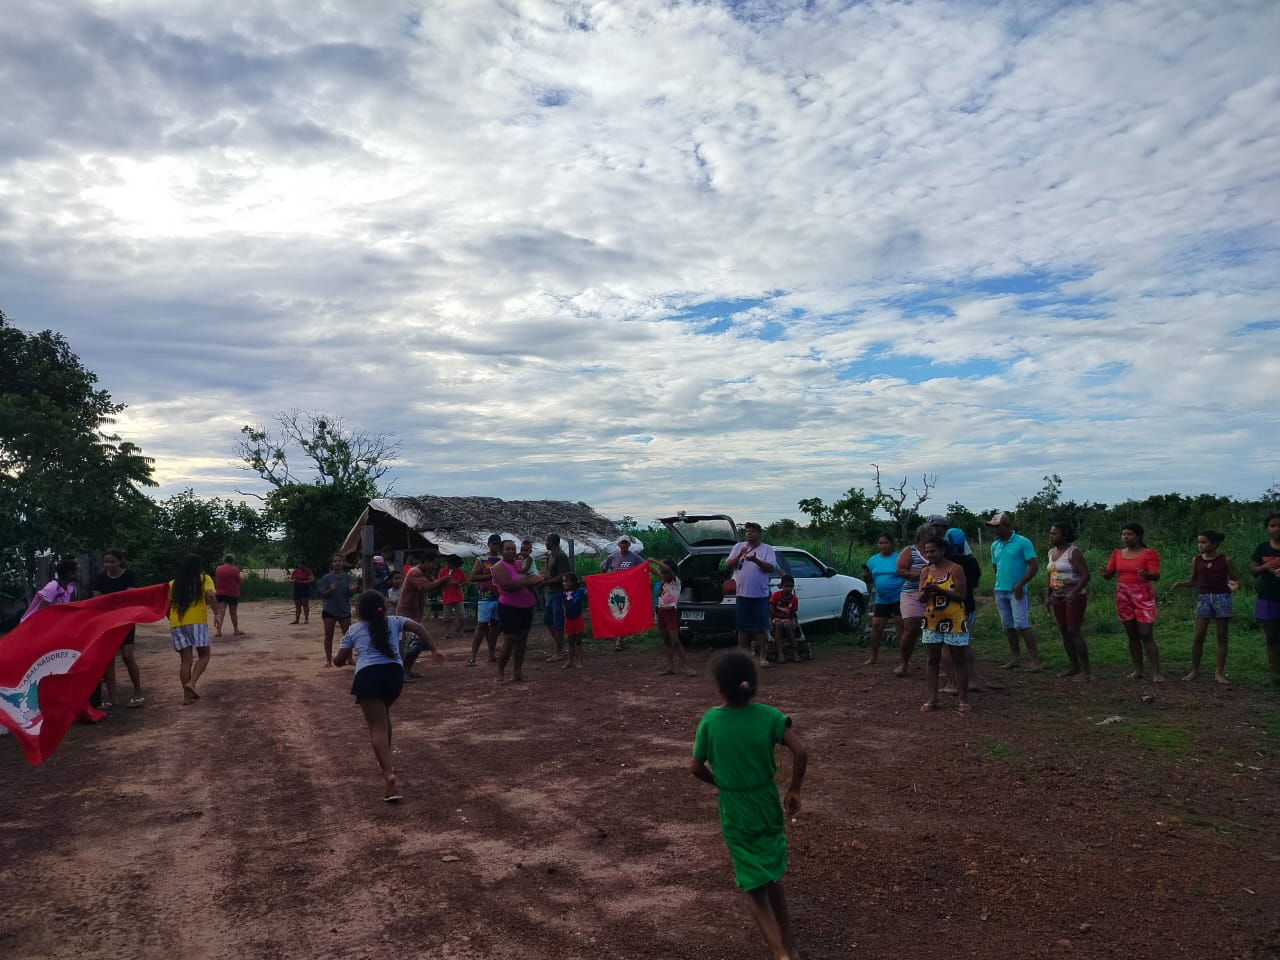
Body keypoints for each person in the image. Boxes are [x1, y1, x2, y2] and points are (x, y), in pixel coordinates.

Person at [690, 650, 808, 960]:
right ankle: (790, 945)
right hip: (766, 801)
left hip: (735, 808)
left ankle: (780, 953)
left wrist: (721, 783)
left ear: (719, 687)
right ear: (752, 683)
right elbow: (800, 751)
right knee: (772, 872)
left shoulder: (711, 721)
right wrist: (794, 789)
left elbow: (695, 767)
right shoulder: (769, 715)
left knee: (754, 886)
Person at [334, 590, 444, 802]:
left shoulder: (353, 630)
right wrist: (434, 649)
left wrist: (338, 657)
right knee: (383, 717)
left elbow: (339, 661)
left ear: (359, 610)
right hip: (394, 675)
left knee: (377, 726)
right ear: (382, 607)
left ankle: (388, 774)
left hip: (368, 675)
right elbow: (418, 627)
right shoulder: (394, 621)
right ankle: (387, 760)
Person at [1099, 522, 1163, 682]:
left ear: (1139, 536)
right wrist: (1104, 574)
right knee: (1132, 634)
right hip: (1123, 596)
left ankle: (1156, 672)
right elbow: (1109, 575)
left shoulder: (1149, 553)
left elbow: (1156, 575)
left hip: (1143, 595)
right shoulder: (1117, 554)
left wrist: (1146, 574)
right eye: (1123, 534)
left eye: (1129, 534)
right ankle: (1138, 670)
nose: (1125, 537)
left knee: (1146, 634)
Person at [918, 537, 971, 715]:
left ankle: (963, 699)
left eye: (932, 551)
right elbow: (921, 598)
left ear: (942, 550)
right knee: (932, 660)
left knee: (959, 659)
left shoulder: (955, 569)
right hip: (932, 620)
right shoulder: (926, 571)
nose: (929, 555)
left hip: (954, 620)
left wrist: (940, 590)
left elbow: (962, 595)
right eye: (927, 551)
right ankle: (932, 699)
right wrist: (926, 591)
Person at [986, 512, 1042, 672]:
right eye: (993, 527)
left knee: (1022, 624)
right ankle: (1015, 658)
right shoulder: (994, 545)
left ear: (1006, 526)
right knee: (1008, 626)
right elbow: (996, 566)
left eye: (997, 527)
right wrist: (1000, 581)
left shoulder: (1022, 542)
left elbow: (1034, 566)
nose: (994, 530)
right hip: (1000, 590)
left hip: (1016, 591)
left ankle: (1034, 660)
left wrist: (1020, 584)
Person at [93, 549, 144, 708]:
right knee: (109, 659)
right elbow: (96, 599)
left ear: (120, 562)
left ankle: (138, 692)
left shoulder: (128, 575)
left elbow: (131, 595)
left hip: (126, 620)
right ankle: (112, 697)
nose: (108, 564)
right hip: (108, 622)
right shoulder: (101, 577)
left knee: (128, 656)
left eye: (112, 561)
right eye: (106, 562)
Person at [724, 522, 777, 667]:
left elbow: (770, 568)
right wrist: (740, 554)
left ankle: (762, 657)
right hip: (742, 595)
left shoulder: (767, 549)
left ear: (759, 534)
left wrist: (755, 559)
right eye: (747, 531)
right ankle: (742, 657)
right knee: (743, 628)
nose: (749, 533)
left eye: (752, 531)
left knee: (761, 628)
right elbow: (728, 565)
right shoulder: (738, 547)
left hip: (760, 596)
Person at [1045, 522, 1091, 680]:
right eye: (1050, 533)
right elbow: (1050, 574)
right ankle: (1074, 666)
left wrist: (1073, 592)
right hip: (1057, 596)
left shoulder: (1073, 552)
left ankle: (1086, 671)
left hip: (1074, 597)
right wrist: (1047, 594)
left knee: (1073, 630)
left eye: (1054, 533)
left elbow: (1085, 575)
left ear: (1064, 535)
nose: (1051, 536)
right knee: (1064, 630)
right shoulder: (1051, 552)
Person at [168, 553, 216, 705]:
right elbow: (211, 595)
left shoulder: (173, 583)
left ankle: (186, 697)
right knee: (205, 654)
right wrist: (217, 614)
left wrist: (172, 620)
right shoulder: (204, 579)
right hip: (196, 620)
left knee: (185, 660)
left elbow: (167, 606)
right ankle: (192, 683)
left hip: (177, 622)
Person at [493, 539, 543, 682]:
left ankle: (517, 671)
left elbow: (534, 578)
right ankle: (500, 672)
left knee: (522, 640)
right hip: (509, 607)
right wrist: (529, 580)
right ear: (501, 551)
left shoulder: (520, 564)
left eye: (513, 549)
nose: (511, 551)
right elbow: (507, 585)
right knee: (510, 639)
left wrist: (533, 580)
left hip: (527, 606)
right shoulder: (499, 567)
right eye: (508, 549)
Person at [891, 525, 929, 677]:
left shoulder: (939, 550)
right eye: (930, 534)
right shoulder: (909, 550)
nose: (934, 536)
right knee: (911, 628)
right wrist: (920, 575)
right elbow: (900, 571)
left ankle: (935, 664)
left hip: (934, 594)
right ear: (921, 536)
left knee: (934, 630)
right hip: (912, 593)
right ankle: (904, 663)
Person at [863, 533, 904, 666]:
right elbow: (869, 579)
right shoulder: (873, 560)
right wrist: (866, 576)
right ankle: (873, 656)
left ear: (891, 544)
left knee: (900, 626)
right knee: (876, 626)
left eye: (886, 543)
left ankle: (904, 658)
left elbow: (905, 574)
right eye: (880, 543)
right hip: (881, 598)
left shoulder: (899, 558)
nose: (883, 545)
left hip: (898, 596)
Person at [1249, 512, 1280, 685]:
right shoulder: (1262, 548)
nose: (1276, 529)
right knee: (1271, 638)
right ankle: (1273, 674)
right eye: (1273, 525)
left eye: (1279, 526)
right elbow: (1253, 571)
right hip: (1268, 597)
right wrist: (1265, 567)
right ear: (1267, 528)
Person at [601, 537, 647, 651]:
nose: (624, 545)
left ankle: (619, 640)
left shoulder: (634, 557)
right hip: (615, 590)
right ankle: (618, 635)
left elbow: (644, 566)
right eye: (622, 543)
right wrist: (603, 579)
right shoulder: (612, 557)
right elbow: (604, 568)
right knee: (616, 612)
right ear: (619, 544)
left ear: (629, 545)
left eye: (626, 543)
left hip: (629, 589)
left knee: (623, 612)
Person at [468, 535, 505, 666]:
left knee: (495, 625)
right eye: (494, 543)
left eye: (498, 544)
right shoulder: (481, 559)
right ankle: (473, 656)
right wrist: (491, 576)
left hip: (500, 596)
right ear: (489, 544)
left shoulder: (503, 559)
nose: (496, 546)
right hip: (485, 597)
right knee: (481, 626)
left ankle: (491, 654)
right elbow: (473, 577)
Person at [650, 557, 690, 675]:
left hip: (670, 613)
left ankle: (686, 666)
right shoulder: (664, 581)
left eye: (665, 573)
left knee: (675, 641)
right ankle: (670, 666)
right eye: (662, 573)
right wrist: (646, 564)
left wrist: (654, 560)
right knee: (667, 641)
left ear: (671, 572)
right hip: (661, 612)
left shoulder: (675, 581)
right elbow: (653, 570)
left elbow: (666, 569)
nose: (663, 575)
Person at [317, 554, 356, 667]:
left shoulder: (348, 577)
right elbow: (322, 594)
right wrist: (330, 589)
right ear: (332, 564)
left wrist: (352, 591)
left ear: (343, 562)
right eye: (335, 561)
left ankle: (350, 658)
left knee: (348, 635)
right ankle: (328, 660)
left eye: (339, 560)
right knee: (328, 636)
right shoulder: (326, 578)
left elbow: (350, 594)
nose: (337, 563)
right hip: (329, 610)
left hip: (344, 609)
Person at [541, 534, 574, 661]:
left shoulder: (560, 556)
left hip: (558, 592)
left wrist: (546, 583)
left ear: (552, 542)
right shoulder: (552, 555)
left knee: (557, 621)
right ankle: (560, 647)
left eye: (546, 541)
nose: (545, 543)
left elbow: (563, 575)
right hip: (551, 592)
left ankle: (559, 651)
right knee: (548, 619)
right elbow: (550, 574)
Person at [21, 558, 79, 622]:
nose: (79, 574)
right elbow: (41, 612)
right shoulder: (53, 587)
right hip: (33, 622)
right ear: (70, 573)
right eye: (77, 572)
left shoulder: (69, 590)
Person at [768, 575, 800, 663]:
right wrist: (770, 623)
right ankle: (780, 653)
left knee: (787, 625)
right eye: (786, 586)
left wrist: (793, 622)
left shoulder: (794, 599)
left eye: (791, 586)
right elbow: (771, 611)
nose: (789, 589)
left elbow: (793, 614)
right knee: (778, 624)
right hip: (776, 618)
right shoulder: (776, 595)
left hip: (787, 619)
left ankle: (795, 652)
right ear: (782, 586)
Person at [560, 573, 588, 670]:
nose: (563, 583)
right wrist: (565, 615)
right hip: (568, 619)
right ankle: (570, 661)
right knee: (570, 641)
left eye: (565, 581)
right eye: (563, 581)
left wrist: (587, 581)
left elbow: (589, 592)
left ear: (572, 582)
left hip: (577, 619)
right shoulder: (564, 594)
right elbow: (564, 605)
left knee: (578, 641)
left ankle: (580, 662)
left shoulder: (579, 591)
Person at [213, 553, 244, 639]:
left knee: (221, 612)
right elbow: (239, 581)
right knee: (233, 612)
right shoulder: (235, 569)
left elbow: (216, 579)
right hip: (232, 593)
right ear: (233, 561)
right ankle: (236, 630)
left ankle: (218, 631)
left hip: (220, 593)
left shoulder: (218, 569)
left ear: (224, 560)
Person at [439, 555, 468, 640]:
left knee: (462, 616)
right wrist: (449, 583)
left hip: (458, 596)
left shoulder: (460, 571)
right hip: (447, 596)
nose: (456, 567)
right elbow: (438, 583)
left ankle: (461, 631)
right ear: (450, 564)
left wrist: (460, 585)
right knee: (446, 617)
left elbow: (465, 581)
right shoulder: (443, 571)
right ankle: (446, 632)